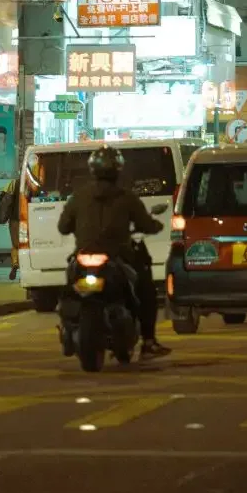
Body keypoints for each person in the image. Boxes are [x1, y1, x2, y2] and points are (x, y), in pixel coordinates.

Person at [58, 147, 169, 360]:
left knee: (69, 287)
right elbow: (146, 224)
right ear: (118, 169)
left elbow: (63, 227)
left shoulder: (79, 197)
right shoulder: (126, 197)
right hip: (117, 256)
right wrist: (153, 225)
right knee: (145, 287)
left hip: (83, 256)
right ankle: (148, 341)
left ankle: (67, 328)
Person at [0, 177, 20, 281]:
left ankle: (15, 263)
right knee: (28, 246)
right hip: (29, 218)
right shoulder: (34, 183)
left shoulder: (14, 183)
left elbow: (3, 198)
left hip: (15, 220)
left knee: (15, 245)